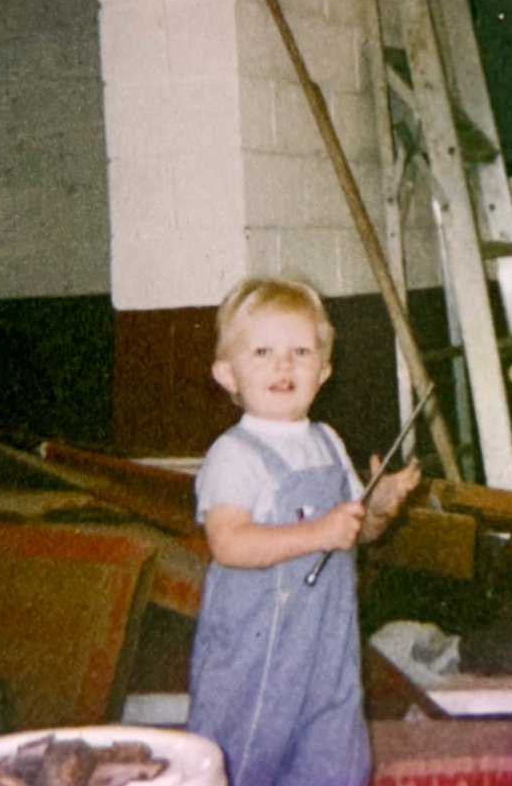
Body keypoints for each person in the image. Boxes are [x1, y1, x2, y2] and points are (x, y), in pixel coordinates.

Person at [188, 275, 422, 786]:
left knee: (334, 765)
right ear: (227, 374)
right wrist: (319, 532)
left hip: (328, 653)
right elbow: (228, 543)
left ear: (325, 370)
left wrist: (377, 509)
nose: (284, 365)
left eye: (301, 351)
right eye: (264, 351)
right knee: (243, 763)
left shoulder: (326, 441)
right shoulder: (234, 455)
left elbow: (354, 534)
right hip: (256, 661)